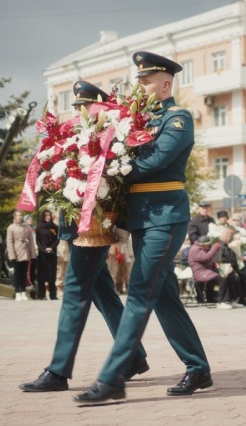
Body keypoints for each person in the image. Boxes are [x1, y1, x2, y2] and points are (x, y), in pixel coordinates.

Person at [75, 52, 211, 403]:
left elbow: (156, 160)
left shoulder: (178, 118)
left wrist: (105, 168)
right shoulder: (138, 120)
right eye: (139, 80)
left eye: (147, 80)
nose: (141, 86)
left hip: (165, 216)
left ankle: (113, 377)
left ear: (165, 84)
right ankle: (198, 367)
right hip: (144, 218)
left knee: (138, 292)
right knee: (163, 296)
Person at [19, 81, 149, 393]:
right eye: (78, 107)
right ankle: (132, 356)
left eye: (87, 106)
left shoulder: (109, 135)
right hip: (77, 224)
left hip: (93, 225)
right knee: (102, 291)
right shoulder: (72, 135)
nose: (81, 113)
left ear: (102, 107)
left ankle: (58, 370)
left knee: (75, 291)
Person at [7, 210, 36, 302]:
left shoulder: (27, 227)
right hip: (16, 251)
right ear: (14, 217)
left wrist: (32, 254)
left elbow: (31, 241)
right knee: (17, 273)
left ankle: (23, 291)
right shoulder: (11, 227)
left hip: (25, 251)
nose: (19, 217)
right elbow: (10, 242)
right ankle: (17, 292)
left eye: (20, 215)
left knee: (24, 274)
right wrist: (12, 255)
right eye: (17, 215)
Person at [35, 209, 59, 300]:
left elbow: (57, 239)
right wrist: (44, 249)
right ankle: (42, 295)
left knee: (52, 274)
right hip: (42, 255)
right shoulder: (39, 227)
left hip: (52, 253)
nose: (48, 217)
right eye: (46, 216)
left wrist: (52, 248)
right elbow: (38, 241)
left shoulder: (54, 227)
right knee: (42, 275)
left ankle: (53, 295)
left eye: (49, 215)